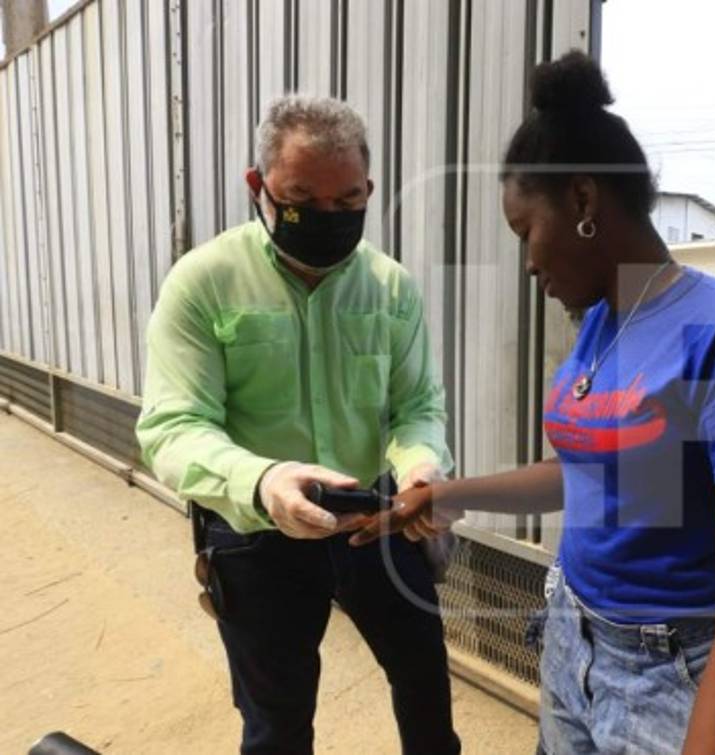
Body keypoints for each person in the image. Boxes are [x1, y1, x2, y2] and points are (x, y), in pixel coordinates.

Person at [352, 51, 715, 755]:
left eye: (525, 231)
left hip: (670, 677)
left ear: (585, 201)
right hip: (572, 640)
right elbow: (593, 471)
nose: (528, 262)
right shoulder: (600, 323)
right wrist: (449, 493)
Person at [136, 95, 460, 754]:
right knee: (277, 722)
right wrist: (264, 481)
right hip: (256, 530)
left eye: (347, 203)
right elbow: (173, 425)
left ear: (369, 190)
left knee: (426, 684)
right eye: (301, 199)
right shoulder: (203, 283)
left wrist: (422, 464)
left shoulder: (391, 289)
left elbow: (416, 405)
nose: (325, 218)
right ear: (259, 187)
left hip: (376, 517)